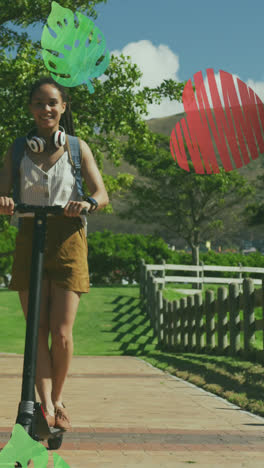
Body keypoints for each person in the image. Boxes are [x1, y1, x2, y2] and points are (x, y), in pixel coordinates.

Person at [0, 76, 109, 430]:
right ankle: (44, 408)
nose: (45, 109)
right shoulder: (17, 150)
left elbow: (102, 194)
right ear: (30, 108)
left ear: (63, 107)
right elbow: (2, 195)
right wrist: (5, 201)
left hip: (69, 238)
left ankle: (58, 398)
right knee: (37, 327)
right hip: (30, 235)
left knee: (61, 332)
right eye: (38, 102)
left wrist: (88, 203)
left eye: (52, 103)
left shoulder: (78, 148)